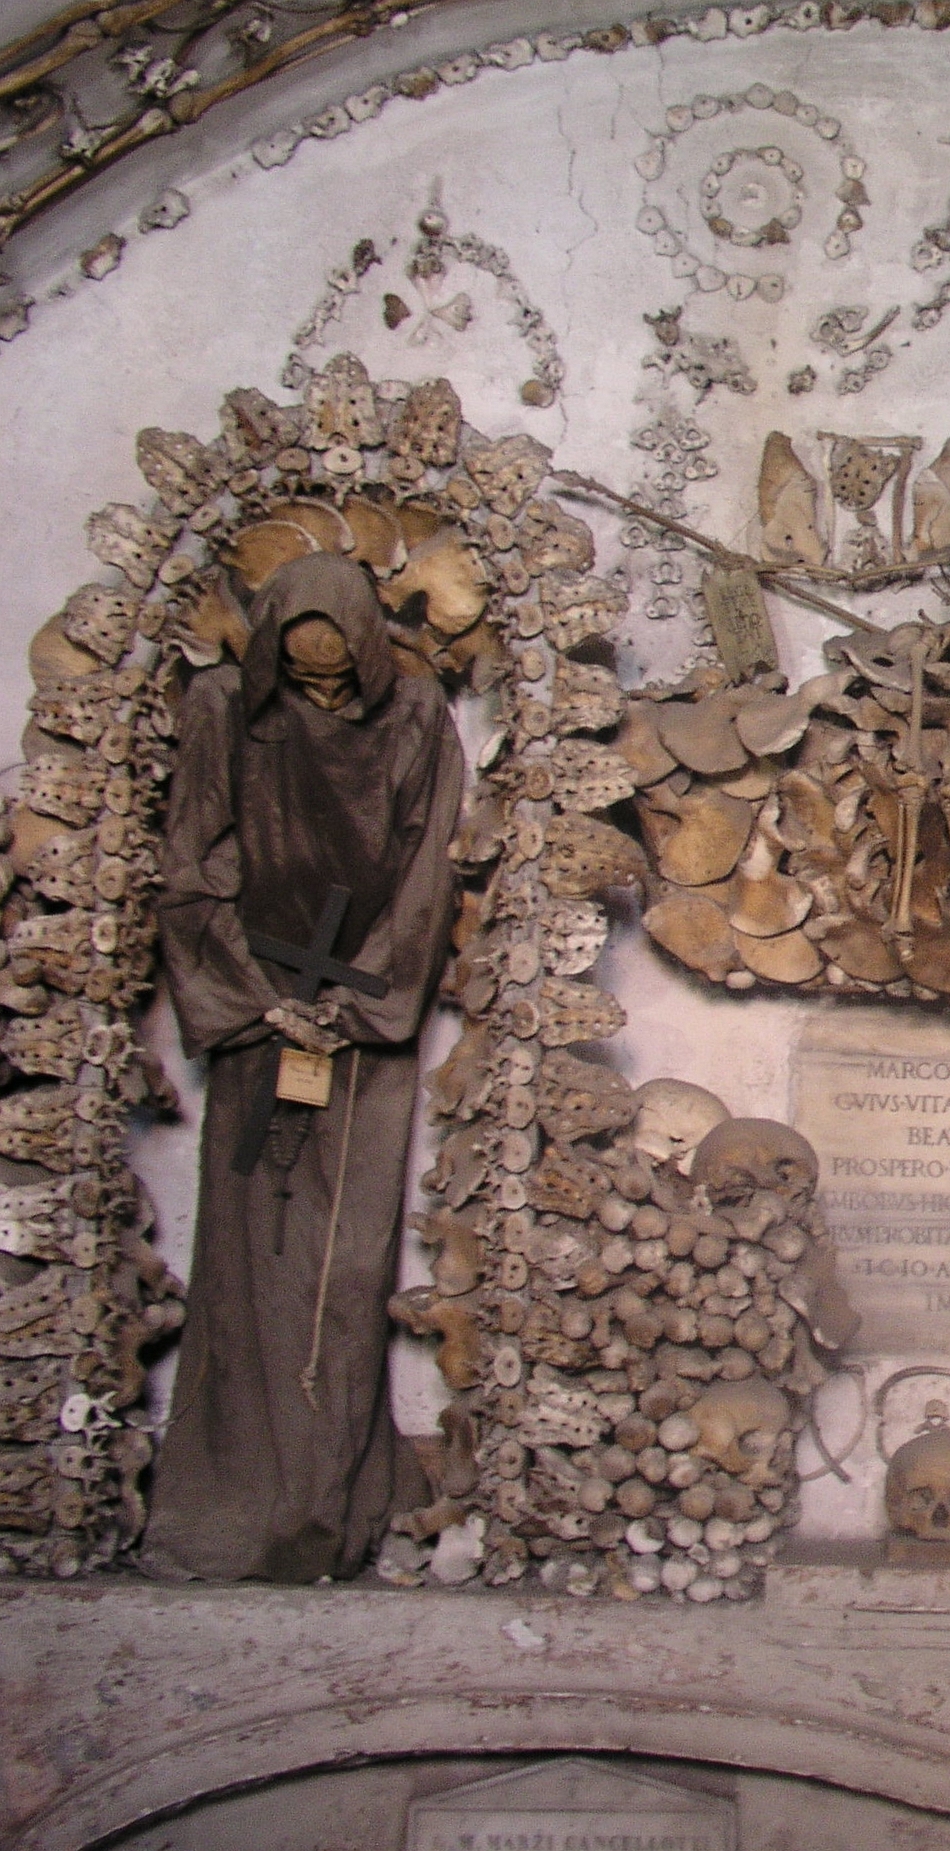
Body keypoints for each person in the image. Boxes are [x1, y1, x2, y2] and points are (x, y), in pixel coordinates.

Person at [142, 553, 463, 1582]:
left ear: (367, 658)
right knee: (248, 1258)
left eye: (339, 678)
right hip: (257, 1014)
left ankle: (328, 1501)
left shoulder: (415, 721)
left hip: (361, 1028)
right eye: (304, 675)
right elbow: (192, 865)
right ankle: (231, 1496)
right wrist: (257, 1002)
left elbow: (424, 877)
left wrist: (355, 1003)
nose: (324, 692)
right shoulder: (221, 710)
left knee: (345, 1260)